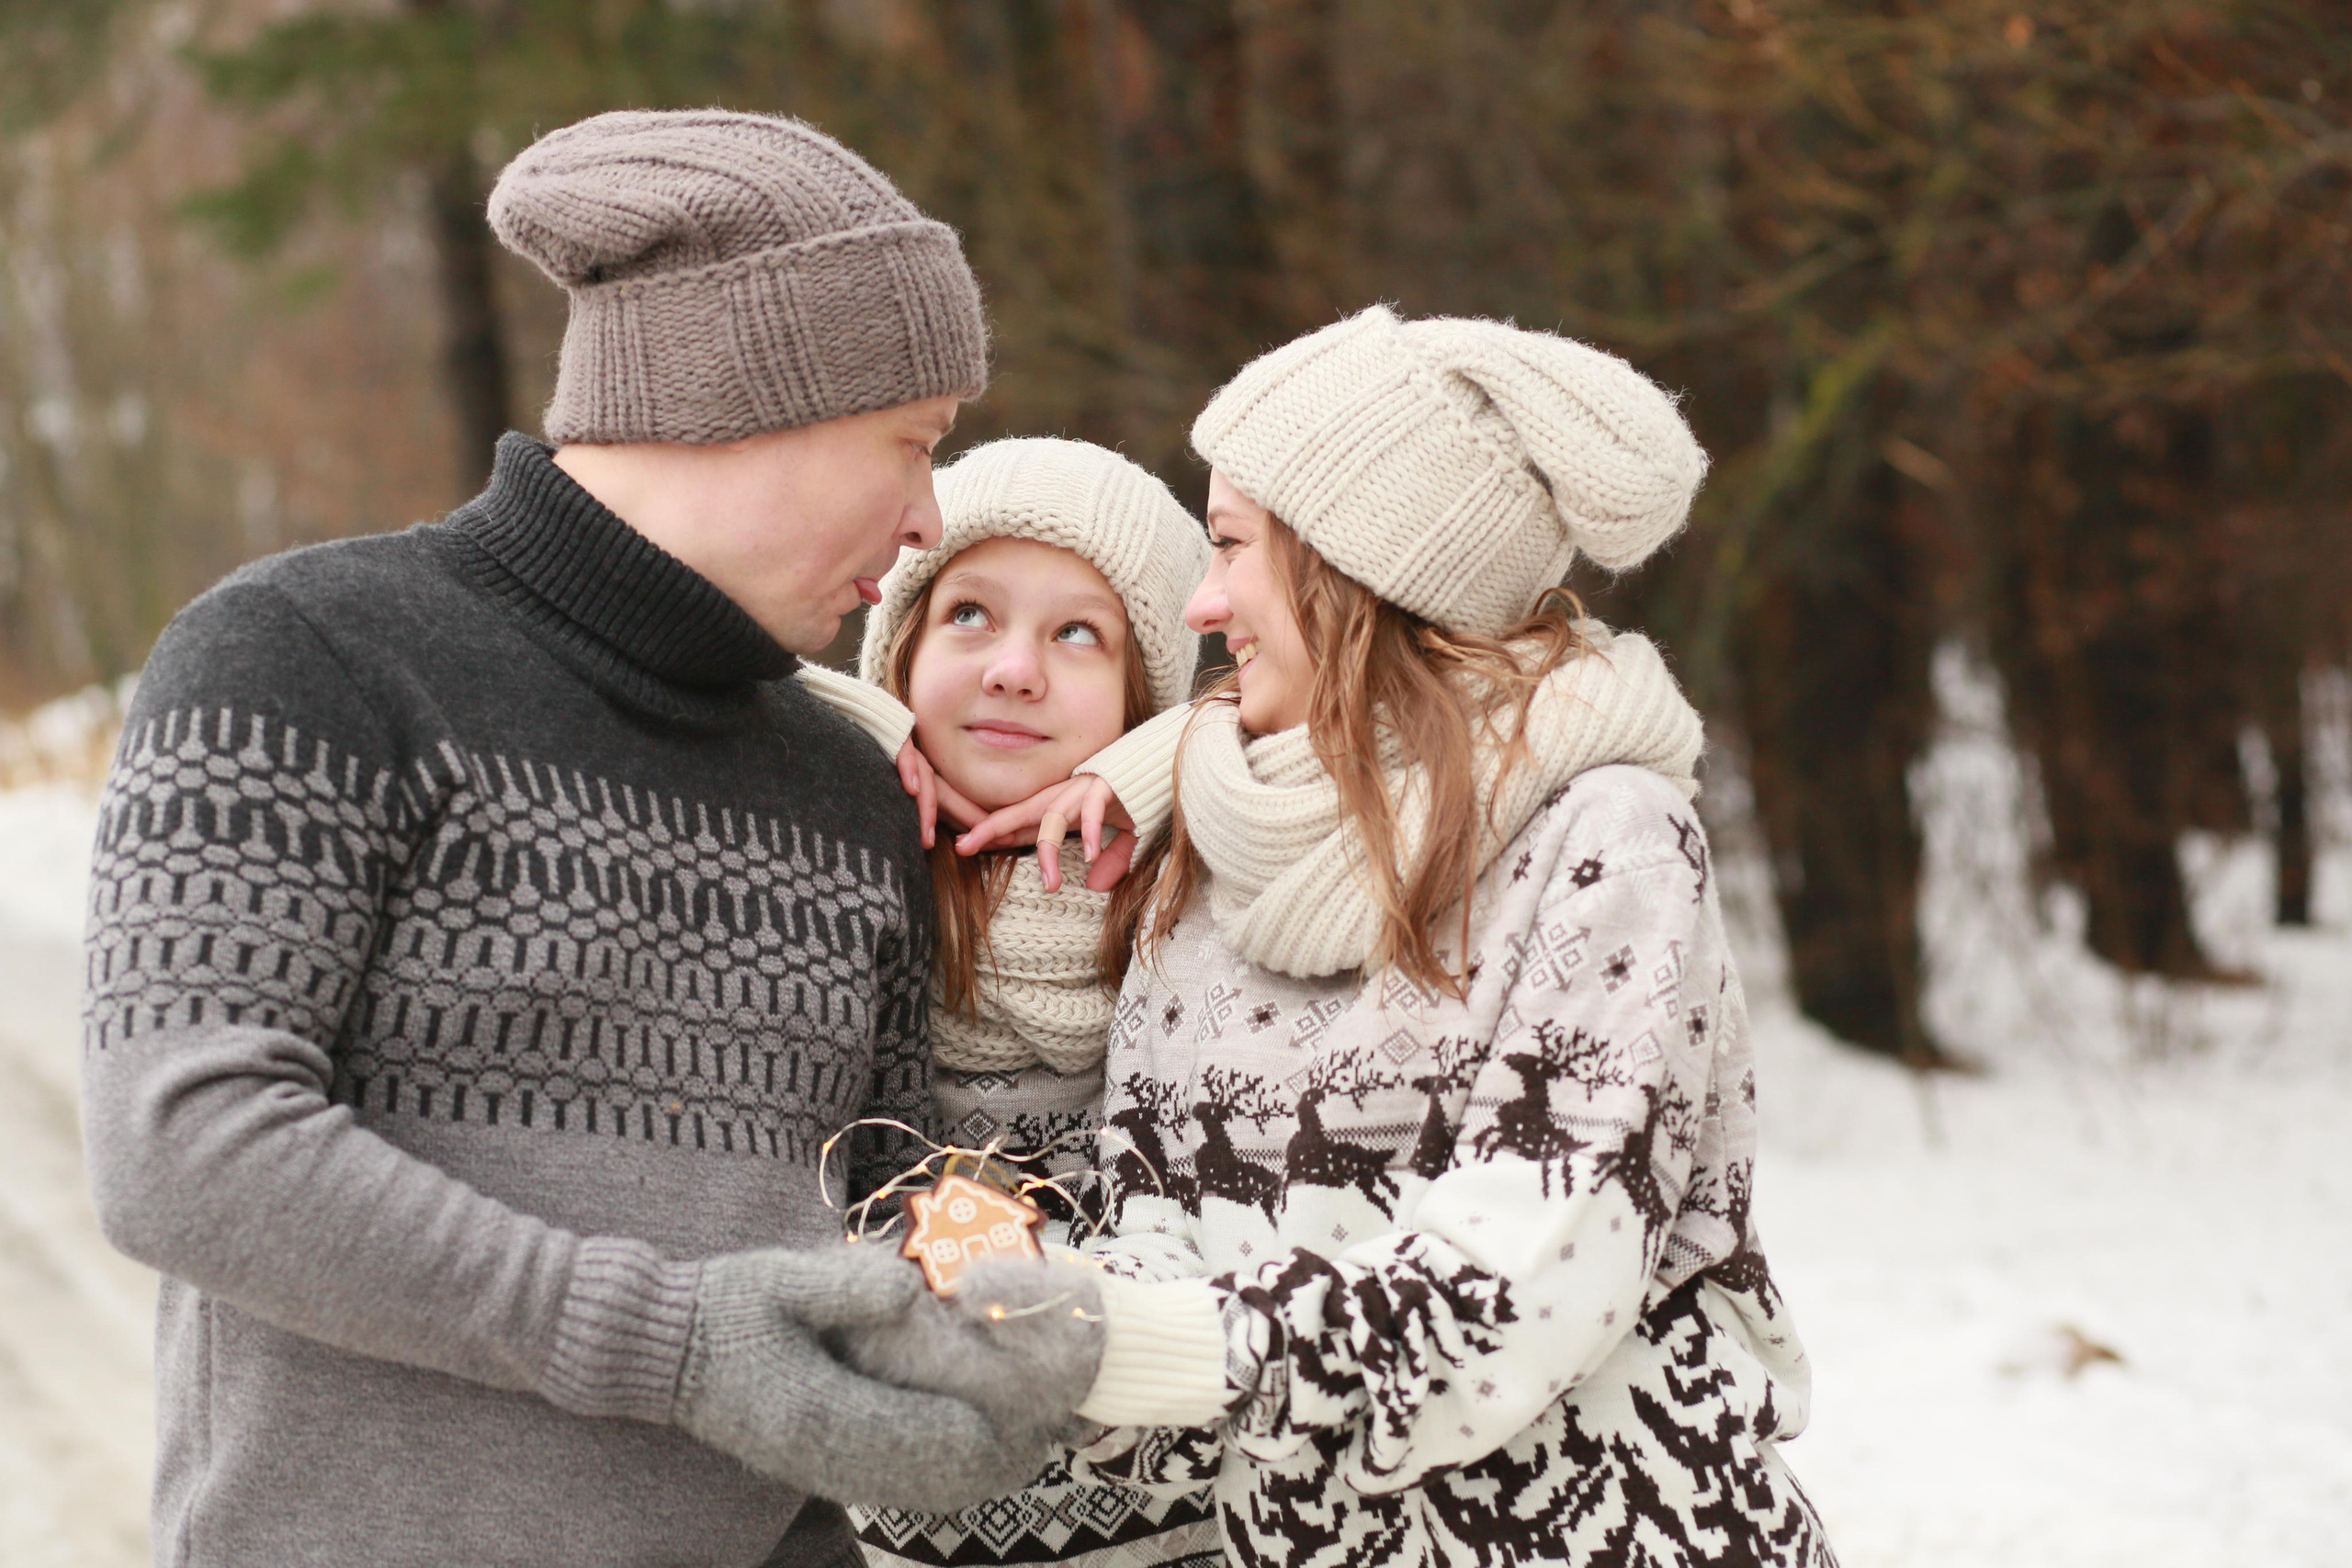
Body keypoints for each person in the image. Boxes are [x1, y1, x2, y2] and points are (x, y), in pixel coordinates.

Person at [76, 108, 1083, 1568]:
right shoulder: (308, 658)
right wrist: (669, 1343)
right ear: (754, 401)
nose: (930, 515)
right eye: (912, 443)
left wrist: (1014, 1282)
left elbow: (892, 1176)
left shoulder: (841, 775)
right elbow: (185, 1145)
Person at [842, 305, 1840, 1566]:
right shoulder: (1211, 855)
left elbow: (1534, 1270)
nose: (1205, 600)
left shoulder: (1609, 838)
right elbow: (1161, 1220)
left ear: (1358, 563)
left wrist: (1145, 1340)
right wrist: (1015, 1300)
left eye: (1232, 547)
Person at [800, 435, 1220, 1567]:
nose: (1014, 670)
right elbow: (687, 661)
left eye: (1078, 633)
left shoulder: (1203, 874)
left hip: (1171, 1515)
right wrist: (870, 730)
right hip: (898, 1517)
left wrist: (1148, 771)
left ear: (1148, 689)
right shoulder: (831, 860)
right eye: (969, 616)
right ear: (901, 645)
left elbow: (1352, 716)